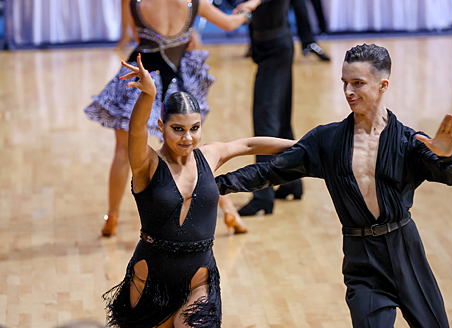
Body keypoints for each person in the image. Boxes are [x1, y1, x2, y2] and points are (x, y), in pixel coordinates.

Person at [215, 44, 452, 327]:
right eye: (344, 82)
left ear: (383, 85)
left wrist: (447, 158)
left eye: (357, 83)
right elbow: (269, 171)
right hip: (362, 260)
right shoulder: (328, 141)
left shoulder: (408, 141)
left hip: (405, 250)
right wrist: (214, 186)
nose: (348, 91)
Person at [103, 55, 296, 328]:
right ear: (161, 127)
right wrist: (149, 96)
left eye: (194, 128)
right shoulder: (147, 164)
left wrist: (308, 145)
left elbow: (250, 146)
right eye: (178, 129)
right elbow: (135, 133)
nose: (187, 137)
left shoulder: (209, 155)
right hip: (150, 284)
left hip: (198, 282)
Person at [84, 0, 262, 237]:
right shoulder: (193, 2)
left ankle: (112, 217)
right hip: (177, 84)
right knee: (189, 154)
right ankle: (229, 210)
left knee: (122, 151)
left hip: (141, 80)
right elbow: (229, 23)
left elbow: (131, 35)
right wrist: (247, 10)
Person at [233, 0, 303, 217]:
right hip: (270, 45)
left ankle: (263, 197)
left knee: (265, 121)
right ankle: (292, 182)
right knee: (279, 119)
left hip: (276, 48)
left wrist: (252, 3)